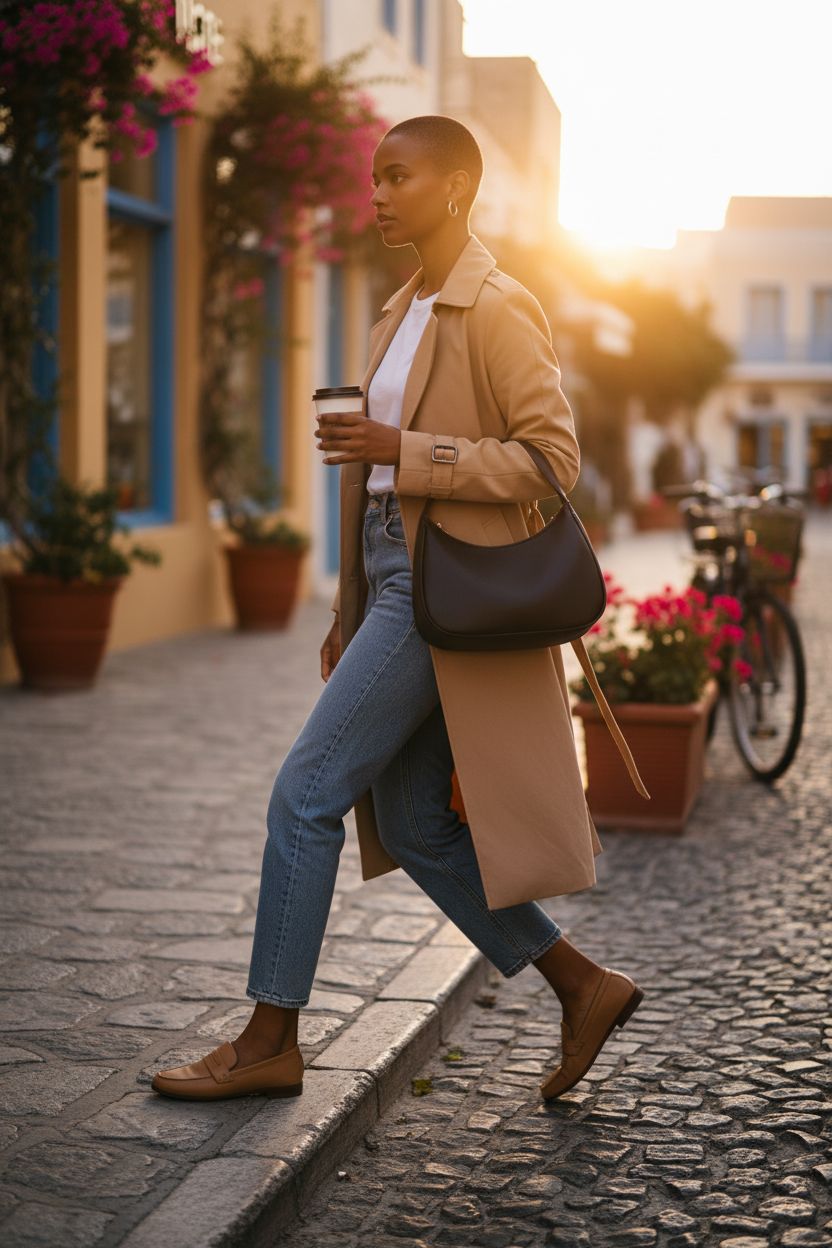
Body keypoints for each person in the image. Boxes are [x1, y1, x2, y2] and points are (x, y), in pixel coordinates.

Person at [151, 115, 643, 1106]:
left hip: (436, 584)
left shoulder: (497, 307)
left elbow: (550, 464)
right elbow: (371, 484)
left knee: (306, 793)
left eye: (398, 176)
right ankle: (581, 986)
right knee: (417, 826)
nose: (376, 194)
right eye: (373, 178)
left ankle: (267, 1039)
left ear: (456, 187)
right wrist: (344, 605)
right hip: (390, 581)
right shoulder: (398, 308)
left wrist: (403, 451)